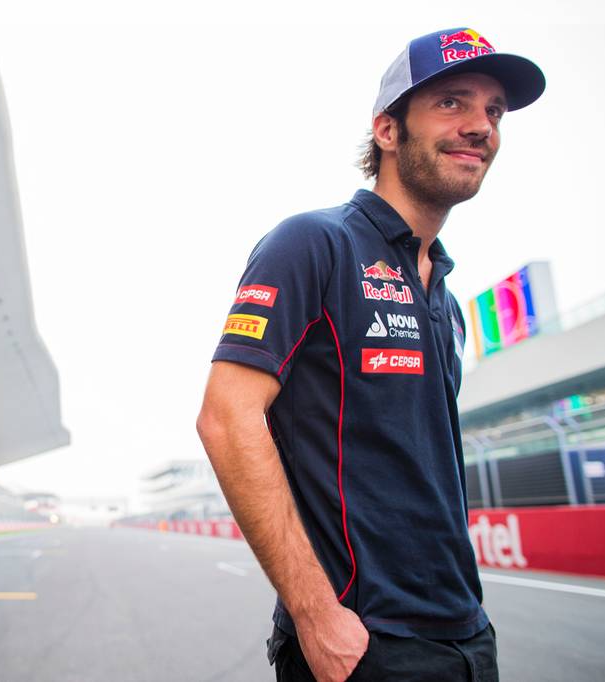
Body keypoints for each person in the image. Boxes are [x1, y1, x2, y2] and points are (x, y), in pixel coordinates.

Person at [196, 27, 544, 682]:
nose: (481, 126)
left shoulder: (447, 297)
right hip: (364, 644)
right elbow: (226, 417)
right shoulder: (314, 243)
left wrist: (472, 629)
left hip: (468, 637)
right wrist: (315, 614)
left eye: (494, 111)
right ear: (387, 129)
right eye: (452, 102)